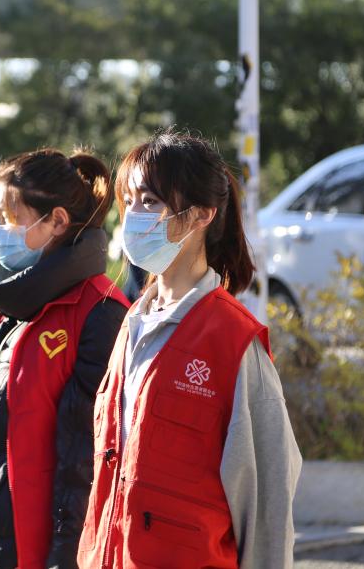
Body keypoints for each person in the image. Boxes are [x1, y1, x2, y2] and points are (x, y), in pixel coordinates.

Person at [78, 131, 302, 569]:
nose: (134, 216)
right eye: (130, 201)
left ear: (201, 214)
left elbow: (268, 502)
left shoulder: (234, 341)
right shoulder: (131, 323)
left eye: (151, 201)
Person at [0, 149, 130, 569]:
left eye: (10, 218)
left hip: (37, 554)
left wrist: (63, 560)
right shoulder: (8, 312)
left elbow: (85, 463)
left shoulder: (99, 313)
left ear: (57, 221)